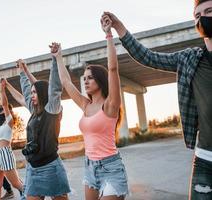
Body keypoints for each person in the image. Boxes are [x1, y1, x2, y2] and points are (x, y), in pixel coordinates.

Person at [102, 0, 212, 199]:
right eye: (197, 15)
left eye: (209, 11)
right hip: (205, 159)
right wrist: (119, 28)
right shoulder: (190, 59)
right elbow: (149, 57)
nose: (202, 18)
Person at [53, 16, 129, 200]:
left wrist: (108, 35)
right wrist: (58, 57)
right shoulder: (85, 105)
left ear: (100, 81)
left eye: (90, 77)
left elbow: (112, 69)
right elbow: (65, 82)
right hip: (89, 167)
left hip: (111, 168)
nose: (85, 81)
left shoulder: (110, 105)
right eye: (84, 77)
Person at [5, 55, 71, 199]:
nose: (31, 95)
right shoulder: (34, 110)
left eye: (35, 92)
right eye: (32, 92)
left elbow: (54, 88)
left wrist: (54, 59)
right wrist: (22, 72)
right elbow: (26, 91)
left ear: (42, 93)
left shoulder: (52, 110)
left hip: (51, 168)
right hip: (33, 168)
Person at [0, 79, 23, 200]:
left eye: (7, 110)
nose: (5, 111)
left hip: (5, 153)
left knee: (16, 184)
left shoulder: (10, 122)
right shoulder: (2, 124)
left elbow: (4, 104)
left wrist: (2, 88)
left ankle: (33, 196)